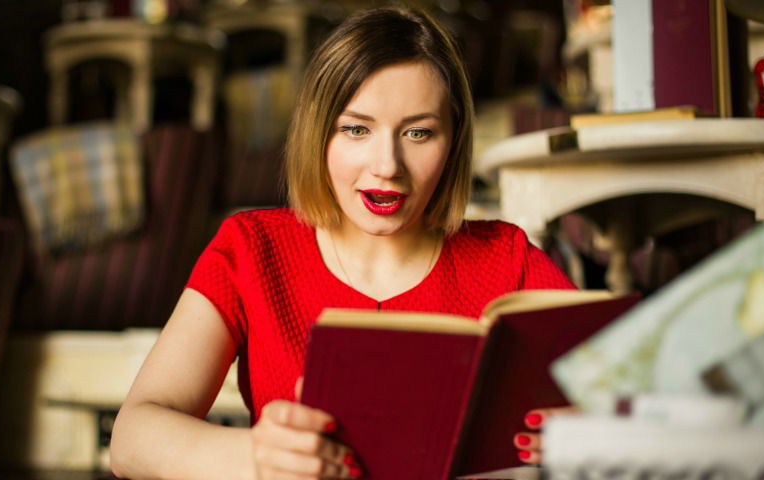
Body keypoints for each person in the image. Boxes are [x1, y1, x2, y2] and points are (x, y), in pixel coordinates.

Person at [110, 7, 575, 479]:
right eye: (356, 129)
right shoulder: (252, 248)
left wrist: (590, 430)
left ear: (453, 141)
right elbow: (132, 438)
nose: (387, 165)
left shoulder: (507, 257)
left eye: (419, 132)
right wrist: (257, 457)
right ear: (319, 134)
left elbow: (627, 392)